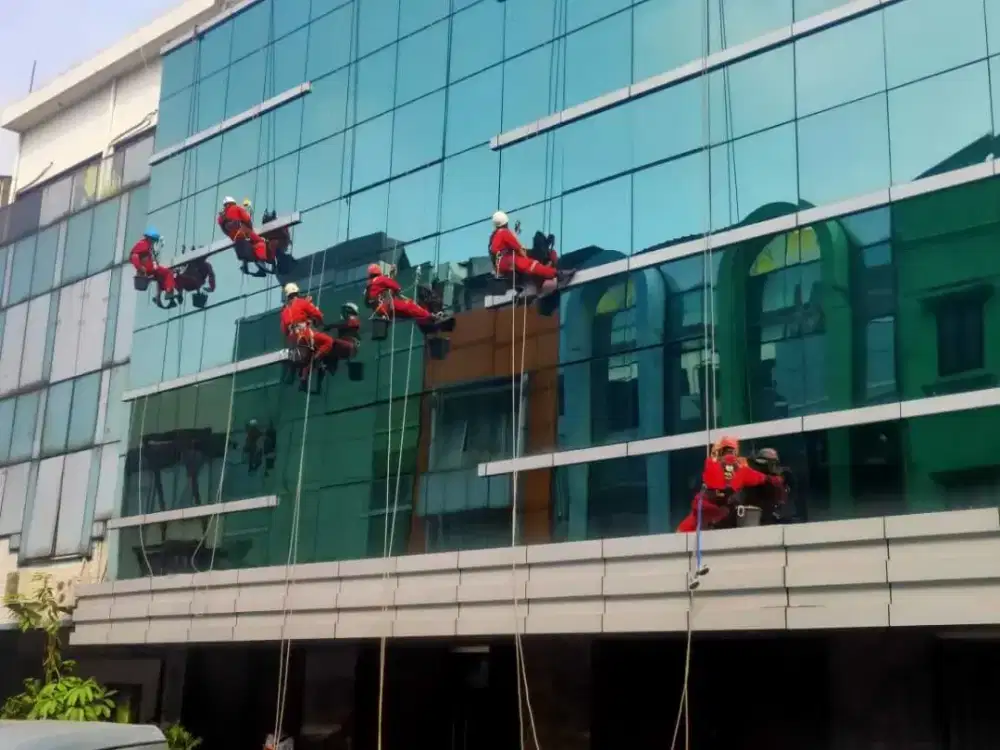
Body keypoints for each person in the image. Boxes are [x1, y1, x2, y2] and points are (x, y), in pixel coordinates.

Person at [676, 436, 784, 533]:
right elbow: (762, 478)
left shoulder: (728, 468)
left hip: (715, 518)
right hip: (714, 517)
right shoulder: (739, 469)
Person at [489, 211, 570, 285]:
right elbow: (519, 249)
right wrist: (527, 259)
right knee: (531, 264)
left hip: (501, 262)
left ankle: (550, 273)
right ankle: (556, 274)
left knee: (528, 263)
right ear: (506, 222)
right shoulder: (504, 233)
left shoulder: (494, 235)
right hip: (506, 260)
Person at [280, 282, 334, 383]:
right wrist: (320, 323)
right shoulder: (302, 303)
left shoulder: (284, 311)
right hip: (304, 335)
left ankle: (302, 375)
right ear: (297, 292)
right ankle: (316, 361)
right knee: (328, 341)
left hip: (293, 341)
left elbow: (285, 330)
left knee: (307, 351)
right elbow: (318, 315)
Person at [364, 263, 437, 330]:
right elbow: (396, 287)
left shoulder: (369, 285)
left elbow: (367, 303)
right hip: (386, 306)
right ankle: (430, 316)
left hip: (379, 311)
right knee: (410, 305)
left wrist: (391, 276)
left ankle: (426, 319)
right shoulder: (381, 279)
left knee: (407, 313)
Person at [217, 196, 272, 270]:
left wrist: (232, 236)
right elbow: (247, 219)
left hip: (236, 238)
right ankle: (260, 261)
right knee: (260, 241)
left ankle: (246, 264)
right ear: (233, 203)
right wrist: (250, 229)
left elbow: (224, 230)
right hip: (243, 231)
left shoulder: (221, 217)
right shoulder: (237, 208)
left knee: (248, 247)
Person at [129, 227, 179, 307]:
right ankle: (169, 292)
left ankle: (161, 295)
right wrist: (140, 267)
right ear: (149, 238)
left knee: (162, 277)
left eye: (154, 240)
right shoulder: (143, 244)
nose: (153, 242)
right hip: (149, 269)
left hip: (150, 269)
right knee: (168, 273)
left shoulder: (148, 246)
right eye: (153, 239)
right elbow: (134, 256)